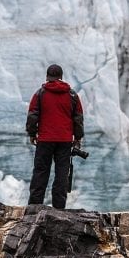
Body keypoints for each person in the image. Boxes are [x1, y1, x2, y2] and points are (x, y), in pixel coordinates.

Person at [25, 64, 84, 209]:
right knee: (62, 174)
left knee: (40, 172)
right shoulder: (72, 95)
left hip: (45, 140)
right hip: (64, 141)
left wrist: (32, 134)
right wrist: (77, 138)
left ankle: (34, 207)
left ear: (47, 77)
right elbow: (78, 118)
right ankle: (58, 209)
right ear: (61, 77)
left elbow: (32, 115)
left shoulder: (40, 94)